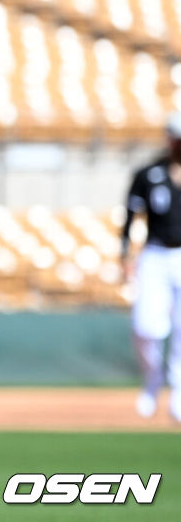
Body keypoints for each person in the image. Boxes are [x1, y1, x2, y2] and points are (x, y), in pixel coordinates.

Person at [121, 112, 181, 422]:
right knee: (145, 327)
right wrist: (125, 255)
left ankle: (179, 395)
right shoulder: (149, 174)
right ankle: (153, 379)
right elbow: (130, 218)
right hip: (156, 254)